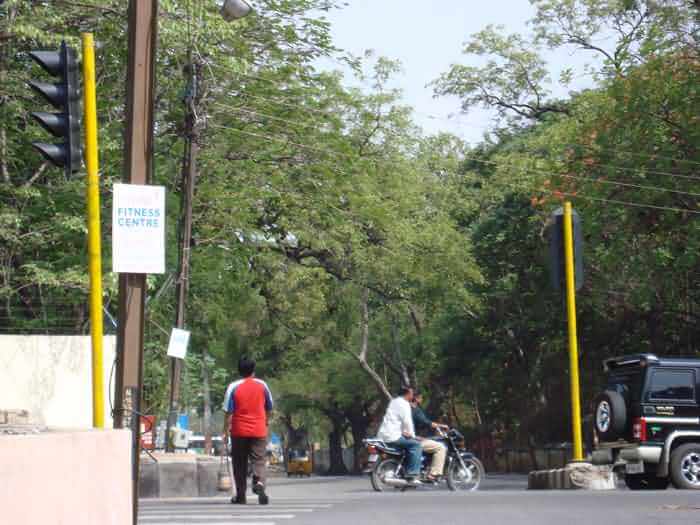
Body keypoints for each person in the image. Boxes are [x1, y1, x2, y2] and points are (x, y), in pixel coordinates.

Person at [222, 356, 273, 505]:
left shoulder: (233, 386)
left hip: (239, 431)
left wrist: (225, 431)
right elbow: (269, 407)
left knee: (239, 463)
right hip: (258, 429)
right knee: (259, 460)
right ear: (253, 370)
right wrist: (266, 422)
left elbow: (228, 412)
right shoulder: (262, 385)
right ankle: (260, 483)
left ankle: (241, 496)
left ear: (239, 370)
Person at [377, 386, 422, 485]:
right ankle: (412, 474)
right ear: (407, 394)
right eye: (411, 393)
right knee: (415, 445)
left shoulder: (393, 402)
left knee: (406, 444)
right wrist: (413, 436)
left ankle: (401, 468)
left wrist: (404, 432)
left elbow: (395, 420)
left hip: (382, 435)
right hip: (393, 436)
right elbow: (407, 422)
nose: (413, 395)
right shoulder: (404, 404)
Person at [411, 390, 448, 481]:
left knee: (429, 441)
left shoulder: (406, 408)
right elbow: (426, 422)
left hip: (409, 437)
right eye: (421, 397)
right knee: (440, 447)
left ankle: (425, 468)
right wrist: (440, 425)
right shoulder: (415, 410)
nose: (422, 399)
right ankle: (433, 474)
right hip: (414, 439)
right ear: (416, 398)